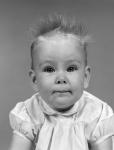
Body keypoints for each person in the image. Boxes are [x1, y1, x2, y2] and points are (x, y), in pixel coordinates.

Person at [9, 14, 114, 150]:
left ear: (86, 77)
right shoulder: (29, 113)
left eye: (71, 68)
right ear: (35, 80)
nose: (61, 78)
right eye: (49, 69)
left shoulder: (96, 114)